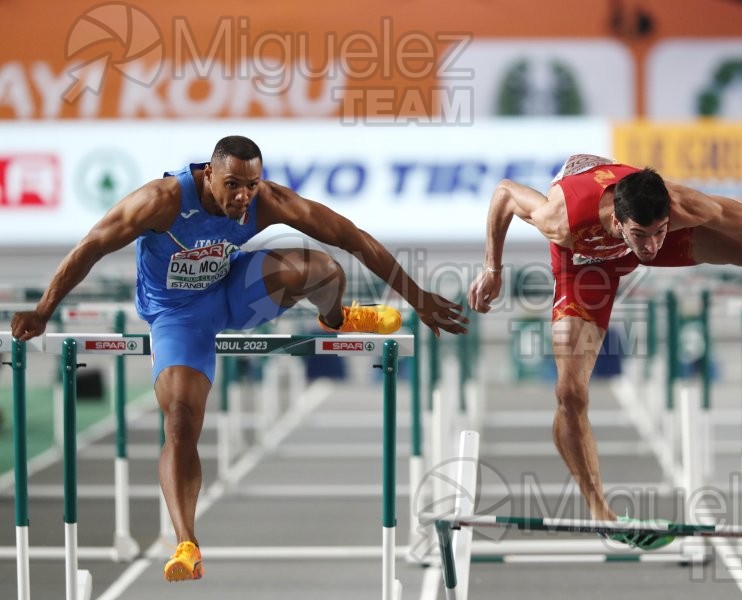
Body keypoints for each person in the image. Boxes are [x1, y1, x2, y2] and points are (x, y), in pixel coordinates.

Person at [11, 135, 468, 581]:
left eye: (251, 184)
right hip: (178, 314)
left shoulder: (265, 201)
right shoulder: (160, 201)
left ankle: (335, 318)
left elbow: (353, 237)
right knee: (181, 420)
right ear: (208, 175)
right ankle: (186, 544)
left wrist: (417, 295)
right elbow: (92, 245)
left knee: (324, 268)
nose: (243, 196)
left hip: (235, 291)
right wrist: (44, 309)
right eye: (233, 185)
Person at [467, 154, 742, 549]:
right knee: (571, 394)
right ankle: (601, 512)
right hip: (583, 263)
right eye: (642, 234)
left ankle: (652, 234)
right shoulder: (561, 219)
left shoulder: (680, 205)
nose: (652, 245)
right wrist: (492, 269)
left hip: (630, 231)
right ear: (621, 222)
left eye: (659, 232)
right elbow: (504, 194)